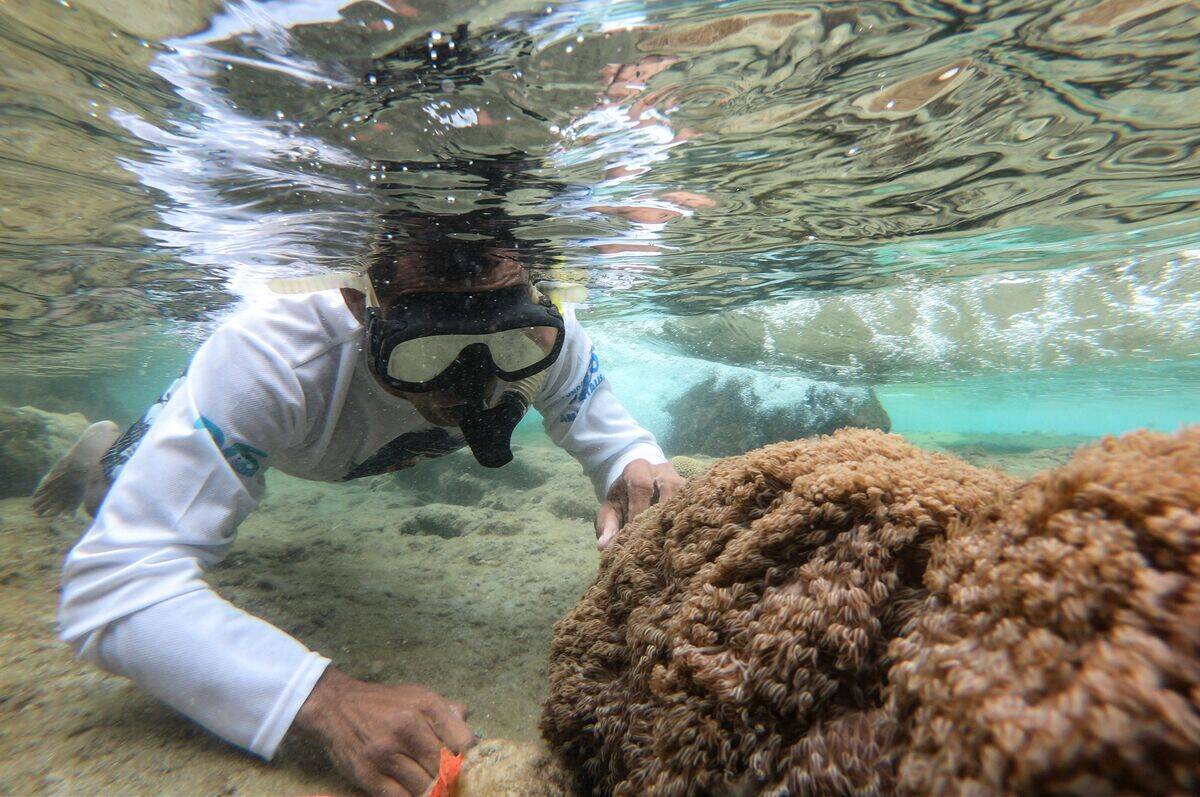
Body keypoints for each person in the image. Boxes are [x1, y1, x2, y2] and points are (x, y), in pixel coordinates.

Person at [38, 211, 683, 797]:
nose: (476, 385)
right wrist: (327, 703)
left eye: (506, 343)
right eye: (428, 350)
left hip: (343, 447)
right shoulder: (269, 359)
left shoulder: (550, 339)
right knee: (109, 500)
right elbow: (113, 584)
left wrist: (635, 472)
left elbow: (620, 445)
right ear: (358, 303)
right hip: (276, 435)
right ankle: (107, 452)